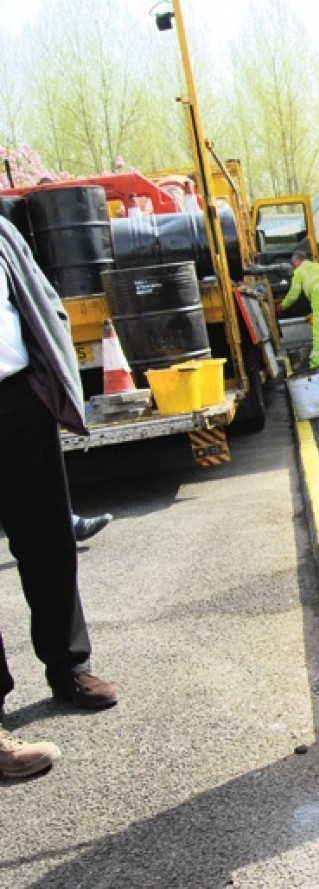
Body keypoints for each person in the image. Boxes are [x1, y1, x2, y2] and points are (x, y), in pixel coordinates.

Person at [0, 215, 119, 777]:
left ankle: (70, 668)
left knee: (48, 540)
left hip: (18, 402)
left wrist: (48, 384)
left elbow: (37, 296)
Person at [280, 249, 319, 372]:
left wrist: (283, 305)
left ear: (297, 261)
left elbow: (294, 294)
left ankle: (316, 363)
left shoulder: (299, 271)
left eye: (294, 264)